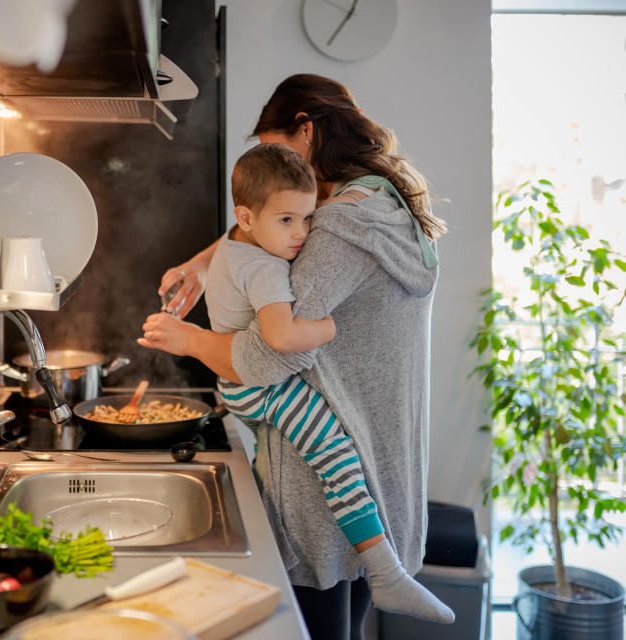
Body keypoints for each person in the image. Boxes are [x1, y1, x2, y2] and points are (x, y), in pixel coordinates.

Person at [138, 73, 448, 640]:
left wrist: (189, 339)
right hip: (379, 468)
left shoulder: (339, 225)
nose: (275, 169)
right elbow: (278, 216)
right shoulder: (386, 198)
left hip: (321, 497)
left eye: (275, 149)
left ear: (305, 131)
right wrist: (209, 261)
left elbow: (260, 359)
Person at [203, 141, 453, 625]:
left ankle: (384, 572)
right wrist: (327, 329)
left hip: (243, 387)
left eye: (307, 218)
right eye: (287, 221)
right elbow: (280, 338)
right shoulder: (262, 267)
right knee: (336, 455)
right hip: (258, 387)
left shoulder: (242, 244)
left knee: (311, 455)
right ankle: (386, 571)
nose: (301, 235)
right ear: (247, 217)